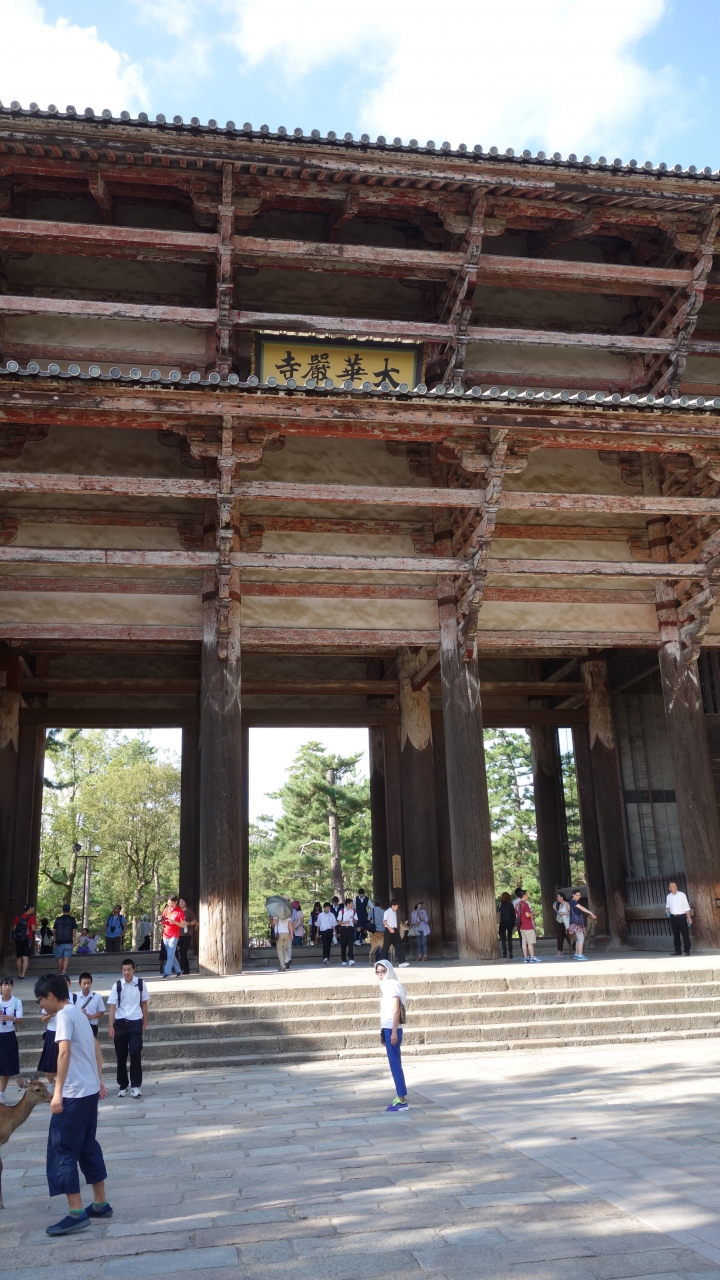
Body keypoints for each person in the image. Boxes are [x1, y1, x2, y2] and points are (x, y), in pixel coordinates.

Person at [33, 972, 110, 1235]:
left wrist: (57, 1092)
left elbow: (64, 1052)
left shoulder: (64, 1016)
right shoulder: (77, 1012)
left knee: (62, 1148)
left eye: (40, 1000)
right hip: (88, 1091)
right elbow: (95, 1046)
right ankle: (100, 1203)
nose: (41, 1005)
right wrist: (98, 1079)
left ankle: (76, 1212)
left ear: (50, 995)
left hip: (74, 1094)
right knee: (87, 1145)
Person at [107, 958, 148, 1098]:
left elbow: (144, 1003)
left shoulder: (141, 984)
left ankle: (135, 1086)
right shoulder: (117, 986)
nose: (126, 972)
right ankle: (123, 1085)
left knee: (135, 1051)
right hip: (120, 1022)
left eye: (129, 969)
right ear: (121, 971)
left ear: (133, 969)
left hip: (136, 1021)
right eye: (124, 970)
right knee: (121, 1055)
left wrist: (145, 1021)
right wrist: (111, 1026)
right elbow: (112, 1007)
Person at [374, 959, 408, 1112]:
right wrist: (383, 1032)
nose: (380, 974)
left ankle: (402, 1100)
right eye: (378, 972)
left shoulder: (392, 986)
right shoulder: (386, 985)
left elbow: (396, 1010)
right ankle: (400, 1097)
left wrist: (393, 1031)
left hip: (393, 1029)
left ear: (389, 971)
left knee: (395, 1065)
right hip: (388, 1029)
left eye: (383, 971)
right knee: (394, 1064)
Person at [0, 975, 22, 1105]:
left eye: (9, 985)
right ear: (0, 987)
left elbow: (19, 1020)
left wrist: (11, 1018)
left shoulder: (16, 1002)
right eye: (5, 985)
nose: (7, 987)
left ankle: (1, 1093)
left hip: (9, 1035)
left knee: (6, 1066)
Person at [160, 894, 184, 979]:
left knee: (170, 955)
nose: (170, 905)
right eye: (169, 903)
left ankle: (167, 973)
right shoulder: (166, 910)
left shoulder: (179, 912)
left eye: (171, 903)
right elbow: (163, 922)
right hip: (165, 934)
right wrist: (161, 920)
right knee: (171, 955)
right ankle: (178, 971)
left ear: (175, 902)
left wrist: (175, 922)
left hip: (174, 935)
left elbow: (183, 924)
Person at [567, 890, 597, 960]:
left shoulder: (572, 902)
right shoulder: (573, 902)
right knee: (581, 939)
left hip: (574, 923)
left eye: (579, 895)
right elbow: (582, 908)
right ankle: (580, 955)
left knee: (578, 939)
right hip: (576, 923)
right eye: (577, 895)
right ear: (573, 895)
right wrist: (591, 913)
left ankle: (577, 954)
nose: (578, 897)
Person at [666, 880, 693, 956]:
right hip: (673, 917)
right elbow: (667, 906)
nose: (675, 887)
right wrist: (667, 911)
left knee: (685, 934)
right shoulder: (668, 897)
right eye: (673, 886)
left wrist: (689, 917)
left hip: (681, 916)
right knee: (676, 934)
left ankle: (687, 950)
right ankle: (678, 951)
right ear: (670, 888)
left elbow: (686, 906)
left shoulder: (682, 895)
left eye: (675, 886)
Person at [76, 973, 105, 1038]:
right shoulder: (75, 997)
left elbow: (101, 1012)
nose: (86, 986)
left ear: (91, 983)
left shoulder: (97, 997)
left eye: (88, 983)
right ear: (80, 984)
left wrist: (93, 1016)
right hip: (79, 1027)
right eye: (84, 983)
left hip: (92, 1026)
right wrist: (80, 1013)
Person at [382, 899, 409, 968]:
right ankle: (381, 962)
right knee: (386, 946)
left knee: (398, 945)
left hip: (395, 930)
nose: (397, 907)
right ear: (393, 906)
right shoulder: (387, 912)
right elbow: (384, 921)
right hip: (388, 930)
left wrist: (393, 929)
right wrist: (390, 928)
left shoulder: (394, 912)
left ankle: (402, 962)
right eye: (396, 906)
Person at [12, 901, 36, 979]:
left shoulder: (17, 918)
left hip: (18, 939)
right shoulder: (31, 918)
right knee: (25, 957)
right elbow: (33, 929)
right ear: (30, 908)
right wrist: (37, 925)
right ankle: (23, 975)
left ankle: (19, 974)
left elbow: (14, 929)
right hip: (27, 938)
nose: (33, 910)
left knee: (19, 957)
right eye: (33, 908)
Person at [516, 890, 541, 964]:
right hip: (528, 926)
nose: (527, 896)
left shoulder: (517, 905)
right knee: (530, 943)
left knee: (524, 942)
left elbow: (517, 915)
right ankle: (532, 957)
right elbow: (527, 914)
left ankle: (525, 957)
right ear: (523, 896)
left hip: (521, 926)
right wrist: (532, 912)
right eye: (526, 894)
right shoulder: (525, 904)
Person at [54, 903, 77, 975]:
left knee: (59, 957)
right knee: (66, 957)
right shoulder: (72, 919)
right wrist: (74, 940)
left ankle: (60, 972)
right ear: (69, 910)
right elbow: (74, 930)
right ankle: (64, 971)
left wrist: (55, 941)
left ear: (62, 910)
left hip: (59, 941)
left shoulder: (58, 919)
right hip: (68, 941)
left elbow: (55, 931)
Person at [177, 899, 197, 973]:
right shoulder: (177, 911)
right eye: (180, 902)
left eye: (183, 902)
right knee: (181, 952)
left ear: (186, 903)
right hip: (177, 934)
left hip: (186, 934)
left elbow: (194, 921)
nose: (181, 903)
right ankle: (186, 969)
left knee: (183, 951)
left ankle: (180, 968)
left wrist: (188, 923)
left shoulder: (189, 911)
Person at [338, 896, 358, 966]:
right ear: (348, 904)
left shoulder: (354, 911)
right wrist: (344, 922)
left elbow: (356, 922)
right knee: (343, 945)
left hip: (350, 929)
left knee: (351, 944)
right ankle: (343, 959)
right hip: (343, 929)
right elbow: (338, 922)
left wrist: (353, 919)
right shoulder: (341, 911)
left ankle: (351, 959)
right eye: (351, 903)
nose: (352, 905)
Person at [497, 892, 516, 960]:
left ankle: (505, 953)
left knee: (503, 939)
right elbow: (513, 915)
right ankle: (510, 953)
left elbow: (497, 912)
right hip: (510, 923)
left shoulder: (500, 904)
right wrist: (514, 923)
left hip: (503, 923)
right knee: (510, 938)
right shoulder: (511, 905)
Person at [553, 892, 572, 958]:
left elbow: (570, 912)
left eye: (558, 897)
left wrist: (563, 913)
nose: (557, 898)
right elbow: (559, 914)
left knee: (569, 936)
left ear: (562, 897)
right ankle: (560, 952)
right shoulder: (560, 905)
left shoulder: (566, 903)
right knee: (559, 937)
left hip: (566, 923)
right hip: (561, 922)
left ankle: (574, 950)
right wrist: (555, 909)